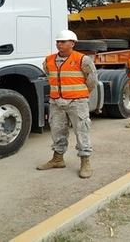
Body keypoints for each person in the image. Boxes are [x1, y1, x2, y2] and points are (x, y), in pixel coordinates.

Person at [37, 30, 98, 179]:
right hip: (56, 102)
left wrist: (80, 95)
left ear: (72, 43)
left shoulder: (82, 60)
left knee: (81, 131)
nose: (59, 44)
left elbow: (92, 80)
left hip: (77, 102)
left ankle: (85, 162)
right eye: (58, 41)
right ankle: (58, 159)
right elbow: (48, 76)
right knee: (57, 130)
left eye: (63, 41)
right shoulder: (49, 60)